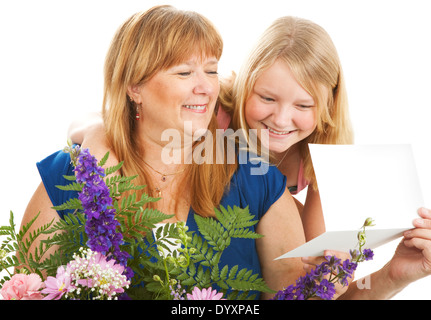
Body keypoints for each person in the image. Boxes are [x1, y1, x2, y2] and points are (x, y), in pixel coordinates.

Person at [69, 14, 431, 299]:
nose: (281, 119)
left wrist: (335, 273)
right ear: (244, 87)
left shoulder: (319, 161)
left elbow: (310, 271)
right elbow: (98, 118)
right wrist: (96, 135)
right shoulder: (215, 110)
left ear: (327, 108)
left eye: (303, 105)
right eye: (267, 99)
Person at [21, 5, 306, 300]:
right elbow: (27, 288)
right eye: (185, 72)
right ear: (134, 87)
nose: (206, 87)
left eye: (211, 70)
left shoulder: (257, 181)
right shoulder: (68, 178)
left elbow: (293, 291)